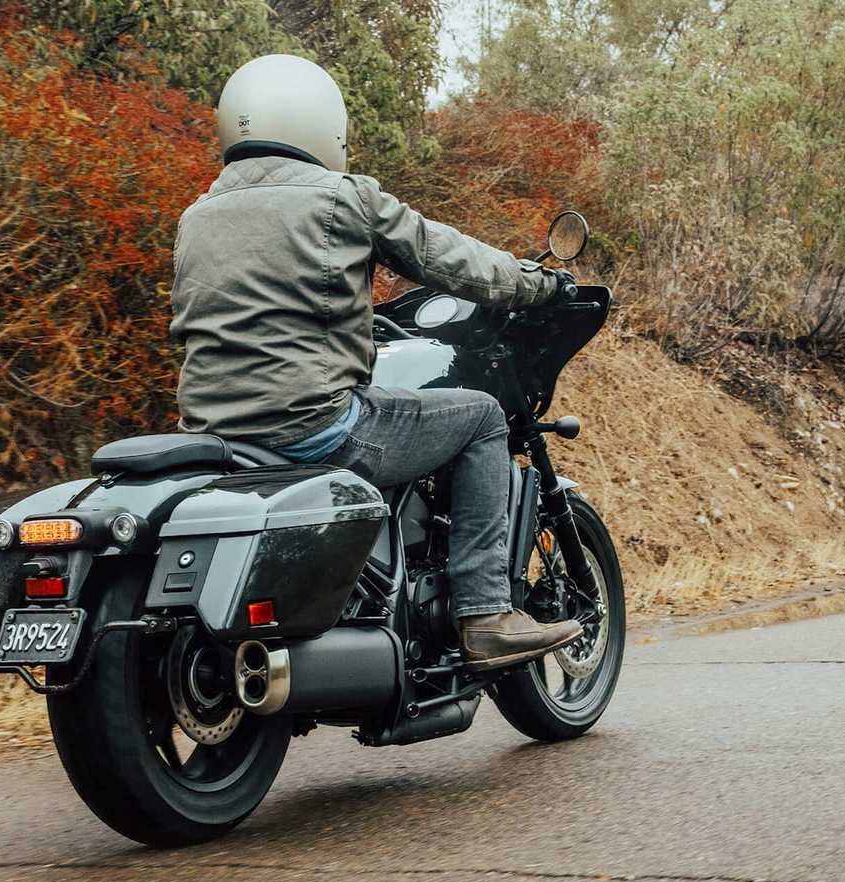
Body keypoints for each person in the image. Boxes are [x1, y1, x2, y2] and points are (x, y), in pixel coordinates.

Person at [169, 54, 582, 671]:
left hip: (213, 435)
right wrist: (537, 282)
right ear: (320, 125)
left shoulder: (195, 216)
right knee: (482, 418)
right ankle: (485, 613)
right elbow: (448, 257)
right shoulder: (342, 198)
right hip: (313, 428)